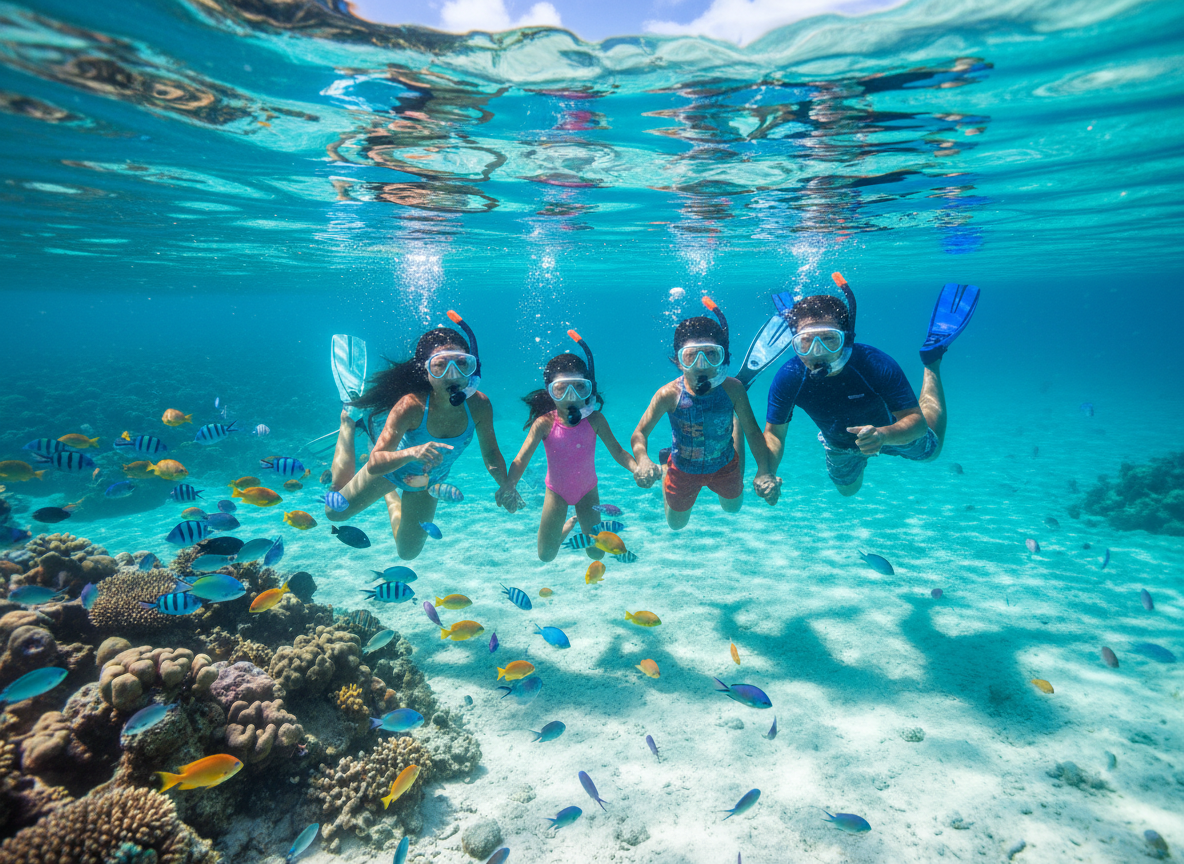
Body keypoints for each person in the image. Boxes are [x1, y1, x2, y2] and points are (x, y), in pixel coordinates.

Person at [325, 311, 521, 559]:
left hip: (430, 480)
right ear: (425, 371)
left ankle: (390, 496)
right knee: (333, 513)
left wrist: (505, 484)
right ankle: (348, 419)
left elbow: (492, 453)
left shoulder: (480, 405)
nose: (453, 374)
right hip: (390, 469)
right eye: (440, 365)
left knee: (408, 554)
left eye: (461, 363)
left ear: (473, 368)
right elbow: (375, 463)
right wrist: (412, 453)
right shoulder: (411, 406)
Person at [761, 274, 979, 495]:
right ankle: (859, 457)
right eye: (805, 342)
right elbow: (774, 434)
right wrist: (767, 470)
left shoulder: (872, 363)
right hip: (840, 444)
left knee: (931, 453)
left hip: (894, 432)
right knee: (848, 491)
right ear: (794, 343)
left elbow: (916, 423)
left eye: (829, 339)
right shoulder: (790, 377)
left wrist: (883, 435)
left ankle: (931, 362)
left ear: (846, 339)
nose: (818, 352)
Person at [631, 297, 781, 528]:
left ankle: (733, 418)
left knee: (733, 508)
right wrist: (642, 459)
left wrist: (764, 470)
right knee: (675, 525)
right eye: (691, 355)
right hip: (682, 468)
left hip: (724, 464)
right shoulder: (668, 394)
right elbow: (639, 433)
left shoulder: (733, 389)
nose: (702, 364)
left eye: (711, 354)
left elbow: (753, 432)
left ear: (723, 358)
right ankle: (665, 464)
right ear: (679, 361)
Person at [507, 330, 637, 561]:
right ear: (550, 392)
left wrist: (637, 469)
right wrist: (509, 485)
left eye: (578, 387)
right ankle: (567, 527)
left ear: (589, 389)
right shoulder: (544, 423)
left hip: (588, 492)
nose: (571, 395)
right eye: (561, 389)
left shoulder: (596, 419)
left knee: (596, 554)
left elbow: (618, 451)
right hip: (556, 493)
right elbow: (521, 460)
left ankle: (576, 528)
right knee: (546, 556)